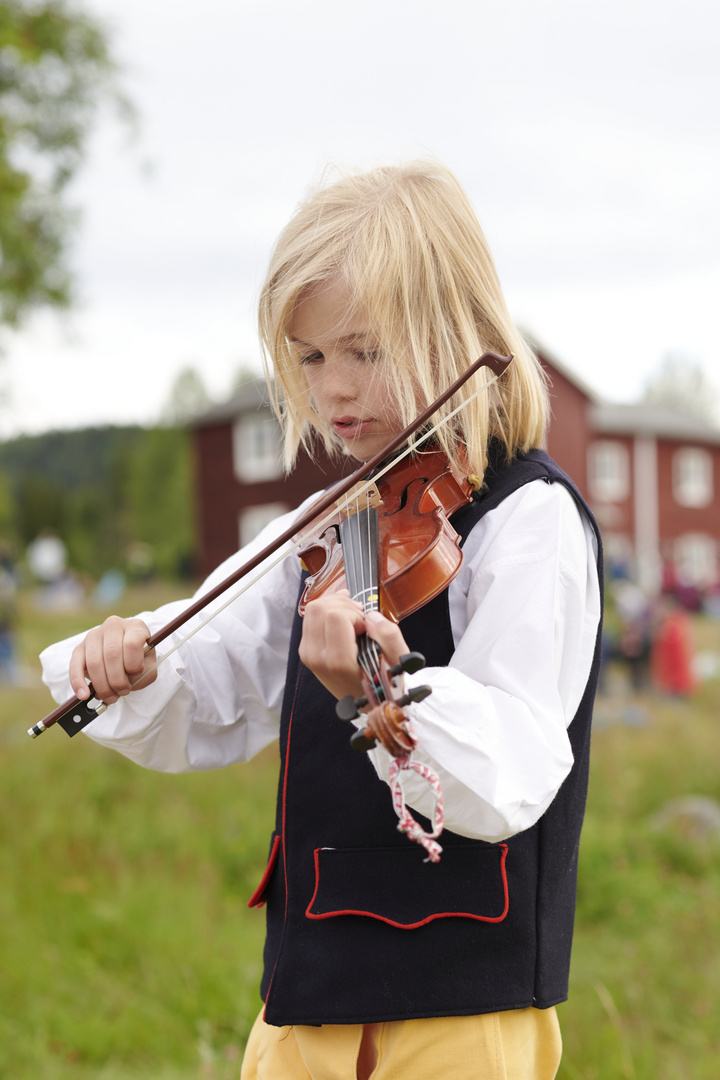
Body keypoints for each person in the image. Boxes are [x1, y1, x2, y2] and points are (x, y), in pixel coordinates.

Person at [40, 162, 603, 1080]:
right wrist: (137, 658)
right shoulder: (334, 521)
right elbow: (220, 666)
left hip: (461, 1003)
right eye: (310, 358)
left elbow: (515, 763)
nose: (335, 390)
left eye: (367, 351)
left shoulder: (525, 517)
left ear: (458, 330)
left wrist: (387, 693)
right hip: (309, 993)